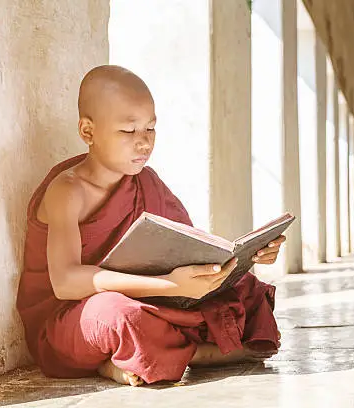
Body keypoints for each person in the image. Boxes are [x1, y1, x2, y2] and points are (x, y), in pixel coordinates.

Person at [16, 65, 285, 386]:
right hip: (73, 317)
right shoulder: (67, 191)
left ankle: (142, 357)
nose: (143, 143)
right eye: (128, 132)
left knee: (244, 289)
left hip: (148, 296)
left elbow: (187, 246)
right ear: (88, 132)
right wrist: (170, 286)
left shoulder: (147, 182)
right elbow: (66, 283)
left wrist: (243, 257)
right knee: (117, 314)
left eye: (151, 129)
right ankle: (199, 353)